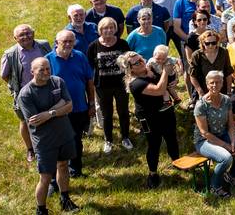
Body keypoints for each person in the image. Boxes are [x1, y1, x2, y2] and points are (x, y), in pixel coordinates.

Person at [18, 57, 80, 214]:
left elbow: (70, 106)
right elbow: (35, 121)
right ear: (32, 72)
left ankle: (65, 199)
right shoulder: (25, 94)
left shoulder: (57, 82)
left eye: (48, 69)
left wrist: (49, 113)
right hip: (45, 142)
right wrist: (59, 107)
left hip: (64, 135)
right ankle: (41, 209)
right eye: (41, 70)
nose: (46, 72)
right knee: (45, 177)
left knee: (63, 166)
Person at [121, 51, 180, 189]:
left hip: (166, 112)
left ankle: (177, 163)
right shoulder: (135, 83)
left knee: (172, 138)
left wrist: (173, 79)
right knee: (154, 144)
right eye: (136, 62)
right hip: (149, 118)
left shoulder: (152, 69)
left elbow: (168, 82)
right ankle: (152, 174)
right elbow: (159, 90)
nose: (141, 62)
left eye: (141, 59)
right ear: (130, 69)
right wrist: (166, 71)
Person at [193, 70, 235, 198]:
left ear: (222, 83)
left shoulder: (226, 100)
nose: (215, 85)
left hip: (223, 133)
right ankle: (215, 185)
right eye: (212, 83)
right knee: (226, 158)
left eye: (218, 82)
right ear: (207, 84)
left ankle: (232, 175)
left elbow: (231, 124)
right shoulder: (201, 105)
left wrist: (232, 142)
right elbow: (204, 132)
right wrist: (226, 145)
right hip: (204, 141)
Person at [46, 30, 95, 180]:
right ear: (56, 43)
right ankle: (54, 179)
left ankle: (76, 169)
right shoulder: (48, 60)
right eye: (64, 42)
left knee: (76, 141)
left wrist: (91, 103)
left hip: (79, 107)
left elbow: (89, 81)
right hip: (58, 111)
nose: (68, 44)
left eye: (71, 42)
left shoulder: (80, 56)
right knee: (56, 144)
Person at [2, 24, 50, 163]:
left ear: (33, 33)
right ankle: (30, 149)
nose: (26, 37)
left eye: (28, 33)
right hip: (25, 93)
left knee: (47, 117)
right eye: (21, 35)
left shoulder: (44, 45)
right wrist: (17, 88)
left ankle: (48, 145)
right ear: (15, 38)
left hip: (46, 87)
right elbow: (4, 75)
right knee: (25, 121)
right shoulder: (10, 54)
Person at [87, 17, 132, 152]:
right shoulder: (93, 46)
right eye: (105, 28)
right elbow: (89, 65)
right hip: (102, 85)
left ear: (115, 29)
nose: (108, 30)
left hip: (121, 84)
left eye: (111, 27)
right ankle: (108, 140)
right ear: (100, 30)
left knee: (123, 111)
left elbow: (128, 62)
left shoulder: (122, 43)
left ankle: (125, 137)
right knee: (107, 114)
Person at [171, 0, 212, 69]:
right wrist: (190, 40)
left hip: (208, 41)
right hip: (188, 39)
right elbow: (176, 27)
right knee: (189, 67)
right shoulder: (179, 3)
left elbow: (212, 18)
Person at [190, 30, 234, 100]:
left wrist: (229, 91)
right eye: (207, 43)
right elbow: (192, 76)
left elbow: (228, 72)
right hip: (204, 89)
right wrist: (200, 92)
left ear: (217, 42)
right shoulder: (196, 55)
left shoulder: (223, 52)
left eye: (214, 43)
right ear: (202, 43)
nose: (211, 45)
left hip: (222, 89)